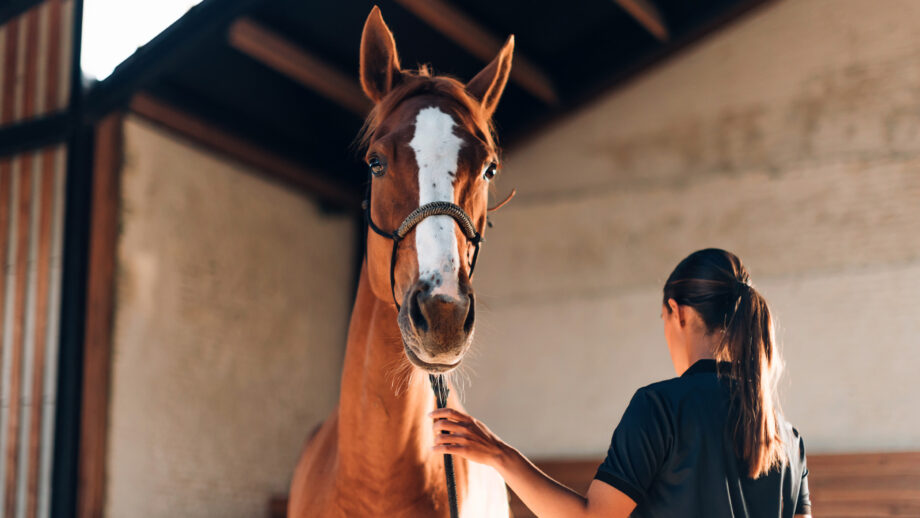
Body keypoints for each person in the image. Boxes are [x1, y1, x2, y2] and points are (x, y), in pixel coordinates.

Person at [431, 248, 812, 517]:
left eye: (662, 319)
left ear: (676, 313)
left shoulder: (660, 407)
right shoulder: (788, 439)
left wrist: (498, 454)